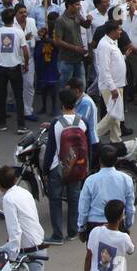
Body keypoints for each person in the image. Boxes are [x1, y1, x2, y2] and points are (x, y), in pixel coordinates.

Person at [42, 87, 92, 243]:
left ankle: (57, 235)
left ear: (61, 104)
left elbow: (50, 150)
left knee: (55, 201)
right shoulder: (82, 122)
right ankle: (72, 231)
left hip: (58, 168)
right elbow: (87, 147)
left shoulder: (57, 123)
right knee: (74, 199)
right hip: (77, 166)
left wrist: (45, 169)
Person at [85, 198, 134, 271]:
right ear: (120, 217)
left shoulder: (95, 231)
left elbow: (88, 257)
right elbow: (131, 250)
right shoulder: (123, 237)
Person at [77, 145, 136, 240]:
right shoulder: (126, 179)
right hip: (117, 224)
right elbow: (130, 208)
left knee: (94, 253)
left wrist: (81, 228)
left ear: (100, 161)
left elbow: (83, 207)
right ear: (116, 160)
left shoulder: (90, 181)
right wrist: (127, 225)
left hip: (94, 226)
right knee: (117, 253)